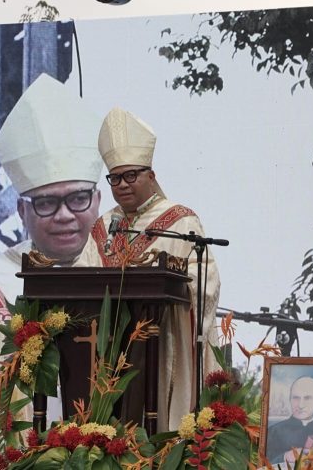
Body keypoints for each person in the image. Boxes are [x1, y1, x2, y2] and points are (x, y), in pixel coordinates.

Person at [0, 73, 104, 375]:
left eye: (78, 198)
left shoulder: (126, 273)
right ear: (21, 211)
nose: (64, 215)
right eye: (46, 203)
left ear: (97, 201)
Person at [78, 107, 221, 432]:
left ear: (151, 176)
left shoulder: (181, 221)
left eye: (131, 176)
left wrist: (176, 288)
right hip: (108, 350)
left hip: (165, 341)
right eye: (115, 178)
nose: (122, 185)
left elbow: (206, 285)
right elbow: (83, 282)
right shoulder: (103, 227)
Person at [266, 376, 313, 465]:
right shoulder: (273, 431)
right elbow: (262, 464)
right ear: (290, 399)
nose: (300, 405)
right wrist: (285, 457)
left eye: (307, 398)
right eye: (296, 398)